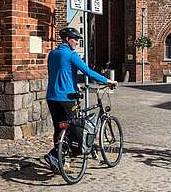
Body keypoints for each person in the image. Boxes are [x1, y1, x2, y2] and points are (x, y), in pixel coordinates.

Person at [43, 27, 117, 172]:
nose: (77, 42)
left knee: (59, 128)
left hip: (52, 97)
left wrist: (74, 83)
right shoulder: (71, 55)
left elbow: (58, 72)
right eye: (75, 39)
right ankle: (54, 155)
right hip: (67, 98)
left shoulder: (52, 54)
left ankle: (61, 161)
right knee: (72, 128)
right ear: (66, 39)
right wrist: (107, 81)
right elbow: (87, 71)